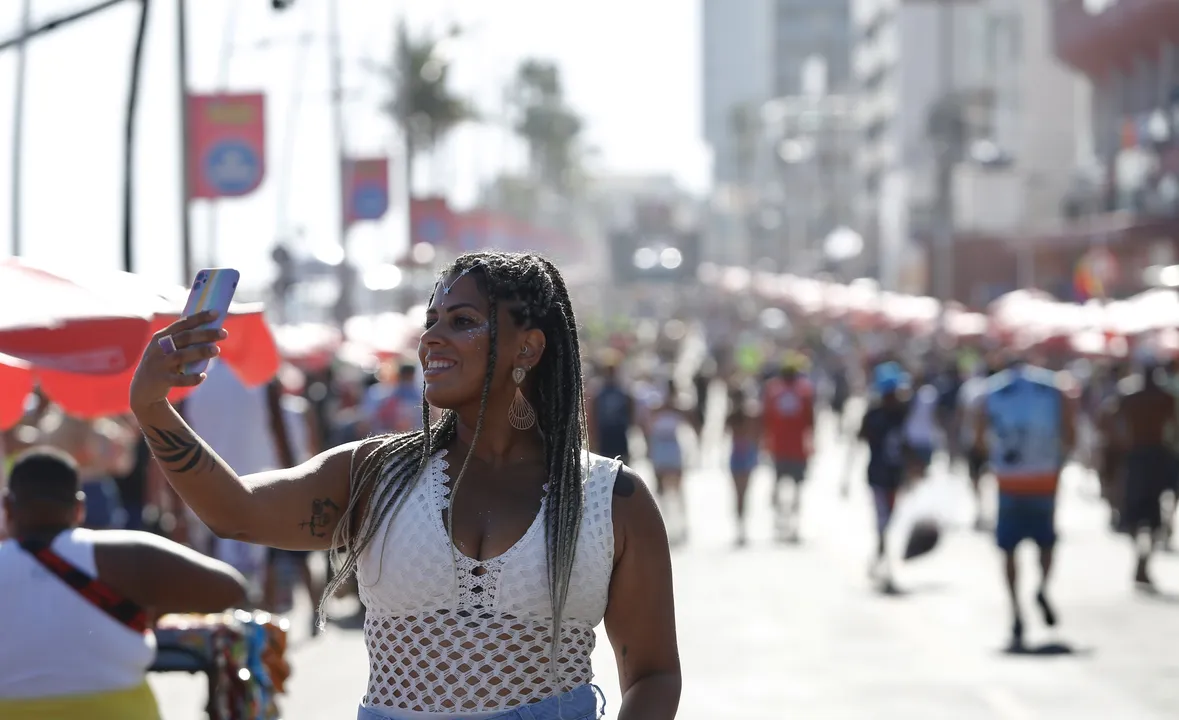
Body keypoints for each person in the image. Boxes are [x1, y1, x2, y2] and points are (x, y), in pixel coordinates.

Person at [129, 251, 681, 719]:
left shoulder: (612, 500)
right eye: (432, 320)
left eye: (461, 321)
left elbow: (652, 674)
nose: (432, 339)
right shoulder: (375, 474)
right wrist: (151, 406)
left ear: (529, 349)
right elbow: (236, 511)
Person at [0, 448, 247, 719]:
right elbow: (230, 588)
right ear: (80, 507)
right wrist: (150, 608)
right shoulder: (126, 555)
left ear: (8, 507)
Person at [974, 360, 1075, 650]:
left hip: (1009, 481)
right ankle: (1042, 588)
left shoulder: (992, 391)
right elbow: (1069, 431)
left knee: (1008, 548)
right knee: (1046, 542)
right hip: (1044, 477)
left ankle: (1015, 609)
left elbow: (979, 437)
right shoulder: (1052, 386)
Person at [1109, 363, 1177, 591]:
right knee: (1151, 515)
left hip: (1141, 456)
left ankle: (1142, 557)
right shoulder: (1163, 398)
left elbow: (1111, 422)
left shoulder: (1131, 398)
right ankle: (1143, 557)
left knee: (1140, 514)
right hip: (1154, 455)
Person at [858, 363, 912, 592]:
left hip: (897, 477)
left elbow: (911, 444)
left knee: (894, 521)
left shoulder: (904, 414)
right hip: (879, 476)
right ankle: (884, 556)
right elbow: (860, 439)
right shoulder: (875, 415)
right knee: (884, 521)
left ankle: (885, 555)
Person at [761, 354, 815, 542]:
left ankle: (789, 523)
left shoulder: (790, 391)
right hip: (786, 447)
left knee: (789, 487)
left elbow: (810, 420)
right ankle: (784, 521)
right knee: (786, 486)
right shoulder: (780, 390)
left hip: (790, 447)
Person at [645, 378, 694, 545]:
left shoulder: (679, 404)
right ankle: (665, 521)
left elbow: (689, 418)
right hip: (660, 445)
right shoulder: (655, 401)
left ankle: (682, 522)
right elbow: (648, 418)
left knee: (678, 487)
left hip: (673, 445)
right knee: (661, 488)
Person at [725, 387, 761, 546]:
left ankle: (741, 527)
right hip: (745, 455)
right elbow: (757, 436)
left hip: (739, 455)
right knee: (743, 493)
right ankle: (741, 527)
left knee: (739, 494)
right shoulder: (748, 416)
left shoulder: (733, 416)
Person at [588, 358, 636, 464]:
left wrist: (630, 424)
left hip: (619, 433)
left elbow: (631, 408)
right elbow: (592, 413)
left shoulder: (623, 390)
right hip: (604, 435)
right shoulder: (598, 391)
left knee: (622, 463)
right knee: (605, 464)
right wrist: (592, 437)